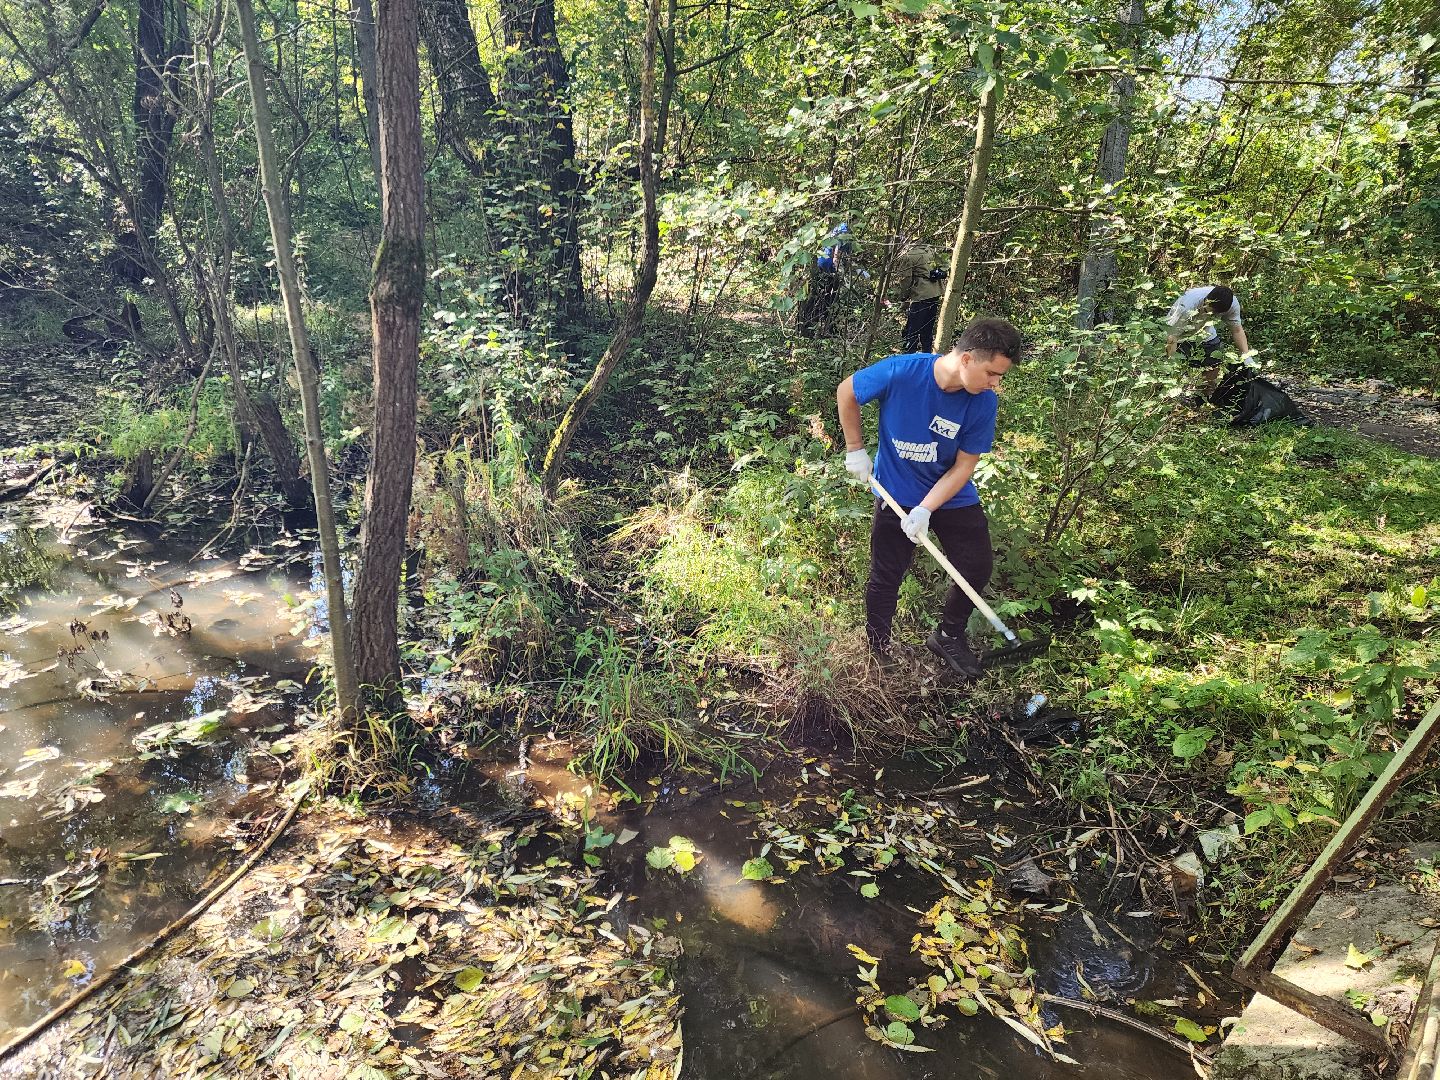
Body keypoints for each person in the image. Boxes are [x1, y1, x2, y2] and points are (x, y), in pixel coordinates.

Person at [836, 316, 1021, 679]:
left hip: (951, 495)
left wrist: (926, 508)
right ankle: (878, 648)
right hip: (896, 492)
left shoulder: (982, 402)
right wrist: (855, 449)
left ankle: (948, 636)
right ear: (967, 358)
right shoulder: (902, 372)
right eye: (992, 374)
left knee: (976, 566)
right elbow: (846, 392)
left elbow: (964, 466)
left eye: (1001, 377)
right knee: (886, 574)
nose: (996, 385)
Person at [1164, 285, 1252, 393]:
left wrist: (1246, 356)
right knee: (1168, 369)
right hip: (1180, 334)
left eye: (1215, 314)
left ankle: (1204, 397)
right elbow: (1172, 337)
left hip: (1205, 332)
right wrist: (1171, 363)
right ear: (1207, 300)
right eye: (1207, 310)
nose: (1209, 314)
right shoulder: (1186, 306)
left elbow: (1237, 330)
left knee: (1214, 363)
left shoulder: (1232, 304)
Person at [798, 223, 860, 338]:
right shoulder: (843, 234)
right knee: (828, 301)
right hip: (828, 271)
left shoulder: (834, 232)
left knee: (819, 300)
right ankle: (823, 328)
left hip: (822, 268)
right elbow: (836, 255)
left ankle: (817, 327)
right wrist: (839, 274)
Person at [892, 240, 946, 352]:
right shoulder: (930, 250)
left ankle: (910, 357)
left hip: (920, 295)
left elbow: (905, 279)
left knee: (913, 331)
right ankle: (927, 355)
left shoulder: (909, 256)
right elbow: (945, 265)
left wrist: (904, 296)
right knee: (927, 329)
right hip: (935, 293)